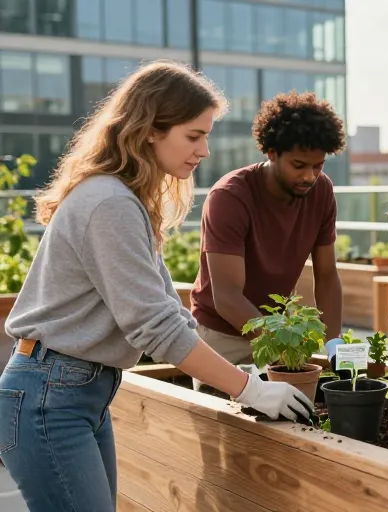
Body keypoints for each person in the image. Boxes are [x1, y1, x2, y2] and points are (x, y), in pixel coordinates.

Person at [0, 61, 313, 512]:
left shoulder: (125, 201)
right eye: (193, 135)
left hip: (74, 392)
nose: (204, 150)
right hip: (52, 397)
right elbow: (156, 328)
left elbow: (170, 311)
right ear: (150, 129)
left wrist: (243, 377)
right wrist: (250, 388)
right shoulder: (109, 203)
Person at [189, 91, 345, 390]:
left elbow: (326, 275)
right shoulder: (230, 197)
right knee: (221, 430)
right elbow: (228, 299)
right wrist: (285, 350)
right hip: (221, 336)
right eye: (298, 165)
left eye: (318, 165)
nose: (309, 176)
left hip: (275, 329)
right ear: (271, 152)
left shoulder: (321, 192)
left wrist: (334, 341)